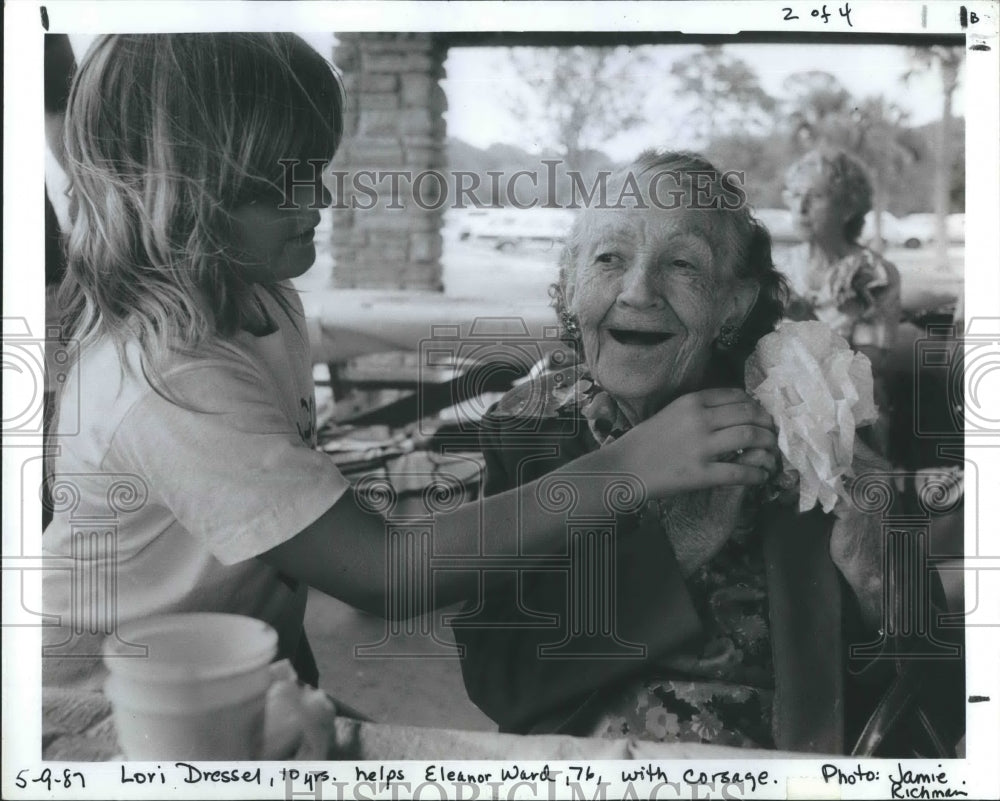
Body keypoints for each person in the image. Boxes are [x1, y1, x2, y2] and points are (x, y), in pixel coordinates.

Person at [42, 36, 778, 702]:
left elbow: (278, 529)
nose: (321, 198)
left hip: (231, 665)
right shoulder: (169, 380)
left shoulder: (262, 301)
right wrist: (634, 465)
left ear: (737, 302)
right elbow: (383, 572)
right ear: (180, 196)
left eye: (313, 169)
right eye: (274, 186)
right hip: (95, 702)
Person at [452, 151, 962, 756]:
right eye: (608, 258)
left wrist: (881, 585)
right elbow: (498, 679)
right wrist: (677, 544)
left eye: (683, 264)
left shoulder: (807, 423)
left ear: (735, 305)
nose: (638, 291)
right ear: (570, 283)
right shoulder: (529, 431)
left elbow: (946, 700)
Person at [779, 148, 902, 456]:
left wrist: (808, 319)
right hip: (779, 398)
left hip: (850, 403)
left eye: (815, 196)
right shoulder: (777, 267)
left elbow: (871, 362)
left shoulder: (874, 272)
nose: (801, 208)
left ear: (848, 207)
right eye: (794, 196)